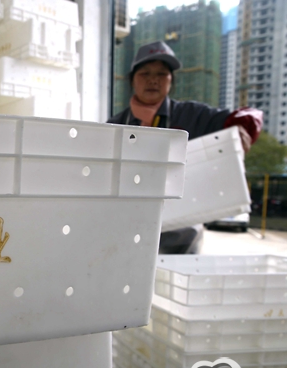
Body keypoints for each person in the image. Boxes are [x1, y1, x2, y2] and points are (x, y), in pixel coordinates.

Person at [108, 41, 263, 254]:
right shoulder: (115, 125)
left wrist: (243, 126)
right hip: (128, 233)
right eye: (145, 73)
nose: (153, 80)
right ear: (132, 80)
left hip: (182, 238)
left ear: (171, 80)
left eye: (162, 74)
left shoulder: (192, 114)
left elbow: (249, 115)